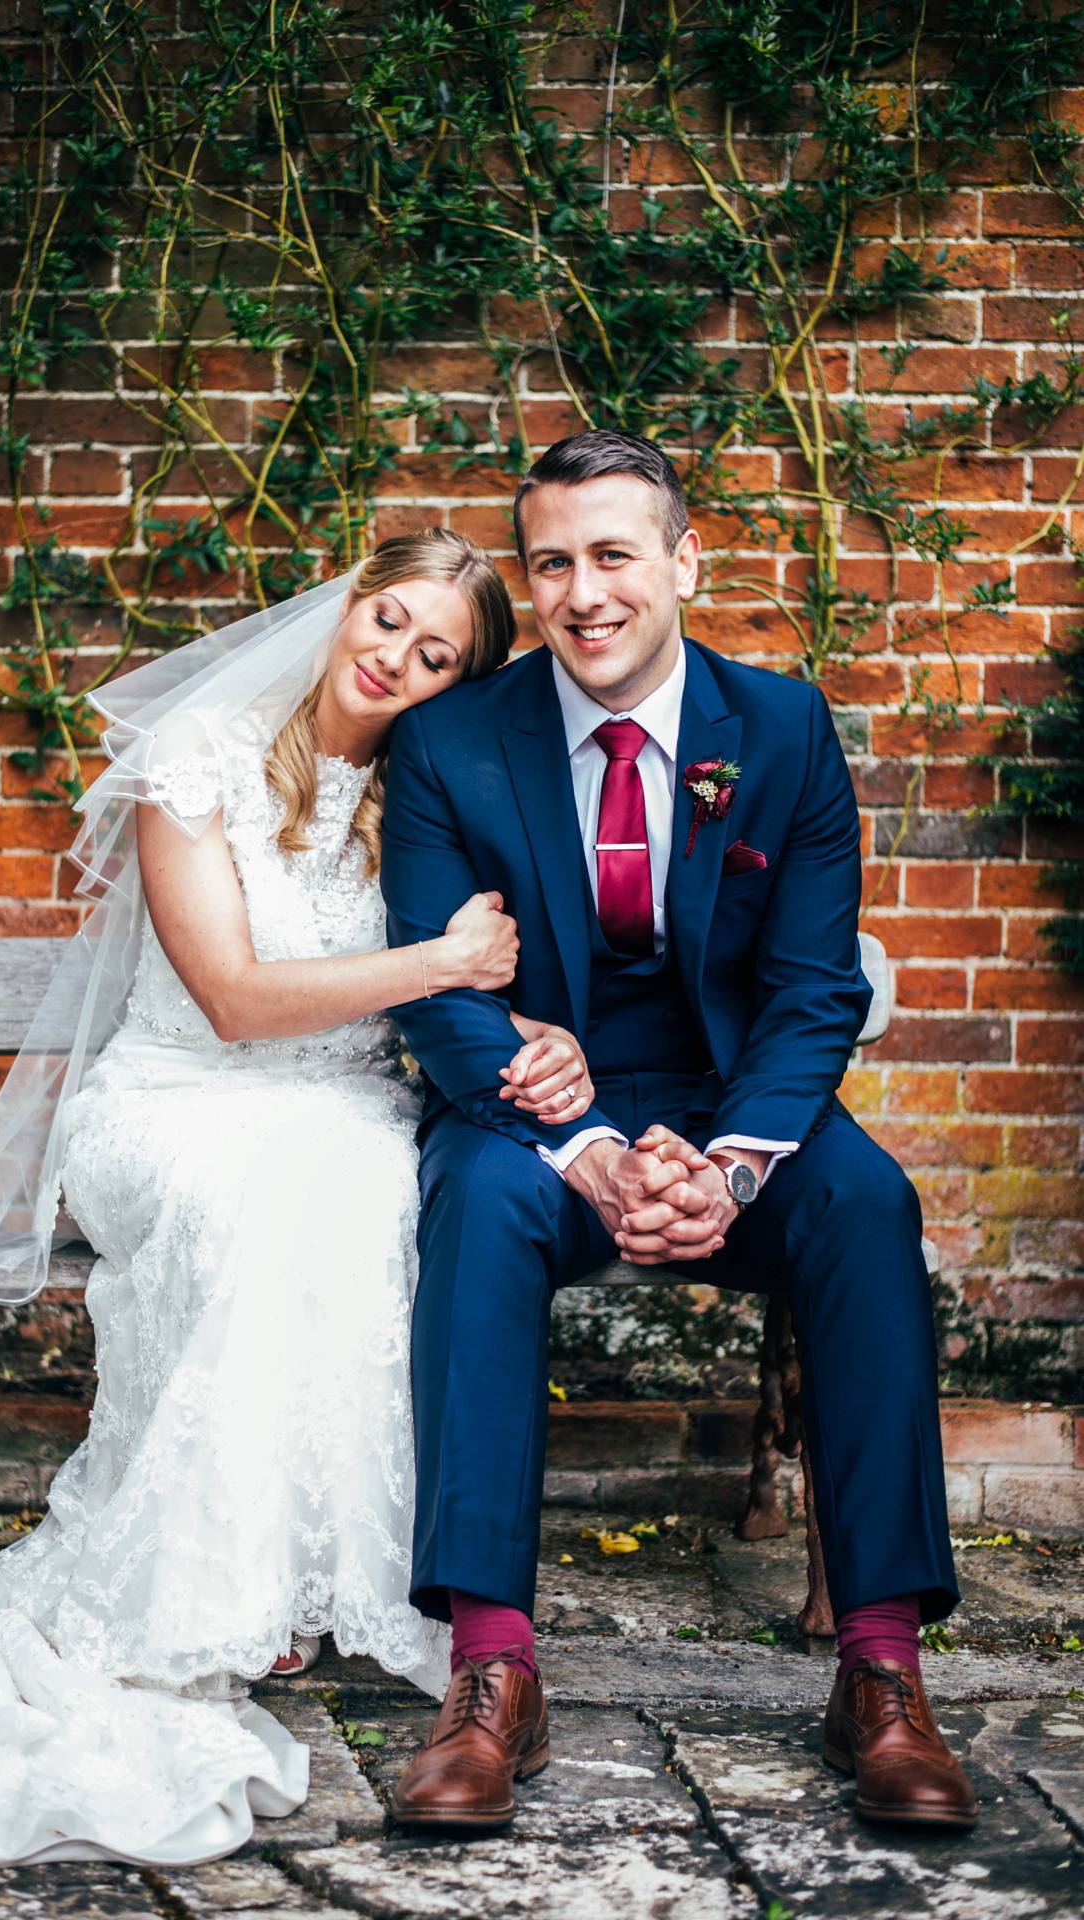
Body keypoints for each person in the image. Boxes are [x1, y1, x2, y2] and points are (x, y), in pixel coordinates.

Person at [0, 531, 595, 1870]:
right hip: (172, 1105)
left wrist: (537, 1029)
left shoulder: (433, 791)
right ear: (347, 602)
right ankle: (207, 1591)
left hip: (341, 1107)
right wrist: (435, 957)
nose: (392, 654)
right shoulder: (201, 757)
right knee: (262, 1198)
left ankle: (299, 1584)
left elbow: (494, 975)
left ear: (456, 682)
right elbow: (229, 1000)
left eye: (434, 652)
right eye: (387, 617)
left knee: (363, 1187)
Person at [381, 433, 978, 1835]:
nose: (581, 592)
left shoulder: (778, 729)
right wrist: (583, 1143)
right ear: (525, 578)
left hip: (734, 1115)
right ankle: (488, 1675)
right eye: (550, 562)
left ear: (681, 564)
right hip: (532, 1110)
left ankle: (881, 1674)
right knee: (470, 1207)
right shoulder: (453, 742)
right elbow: (438, 986)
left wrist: (728, 1163)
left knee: (865, 1206)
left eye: (612, 555)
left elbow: (812, 985)